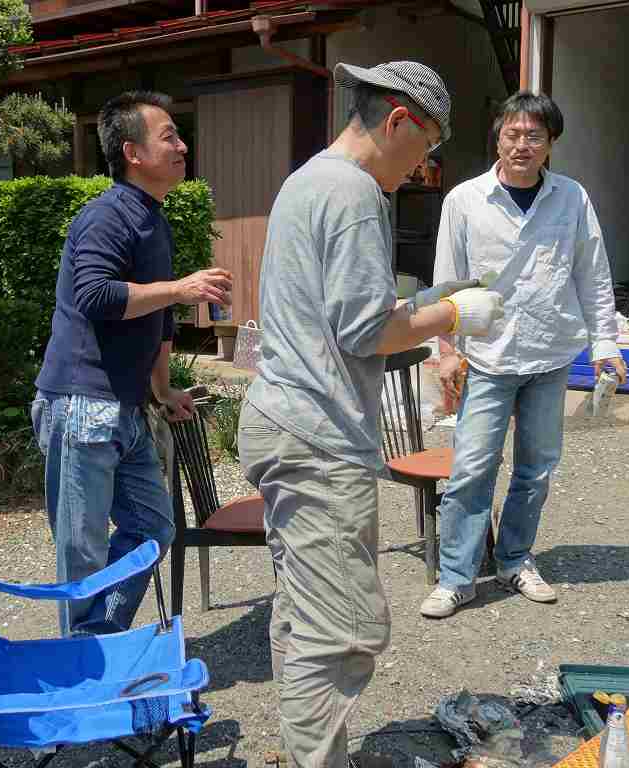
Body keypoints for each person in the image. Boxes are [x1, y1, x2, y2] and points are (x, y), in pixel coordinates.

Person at [237, 61, 504, 768]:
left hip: (281, 419)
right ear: (398, 121)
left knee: (304, 609)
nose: (423, 168)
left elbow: (339, 312)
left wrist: (433, 300)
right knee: (344, 629)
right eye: (427, 148)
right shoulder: (355, 192)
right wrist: (454, 315)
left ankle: (306, 752)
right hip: (317, 434)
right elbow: (365, 332)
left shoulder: (308, 179)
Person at [32, 91, 233, 637]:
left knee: (153, 527)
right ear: (132, 152)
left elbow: (159, 320)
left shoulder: (153, 219)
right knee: (82, 551)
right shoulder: (106, 215)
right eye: (169, 136)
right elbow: (95, 295)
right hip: (81, 403)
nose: (182, 146)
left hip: (125, 405)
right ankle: (83, 664)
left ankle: (98, 638)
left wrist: (163, 391)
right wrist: (179, 288)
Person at [420, 91, 626, 619]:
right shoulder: (465, 199)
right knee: (472, 469)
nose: (522, 145)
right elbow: (447, 279)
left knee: (535, 469)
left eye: (534, 135)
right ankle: (457, 577)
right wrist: (447, 350)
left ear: (550, 143)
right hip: (487, 356)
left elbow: (592, 273)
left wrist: (605, 344)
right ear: (497, 138)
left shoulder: (572, 198)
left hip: (549, 354)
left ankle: (514, 561)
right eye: (512, 134)